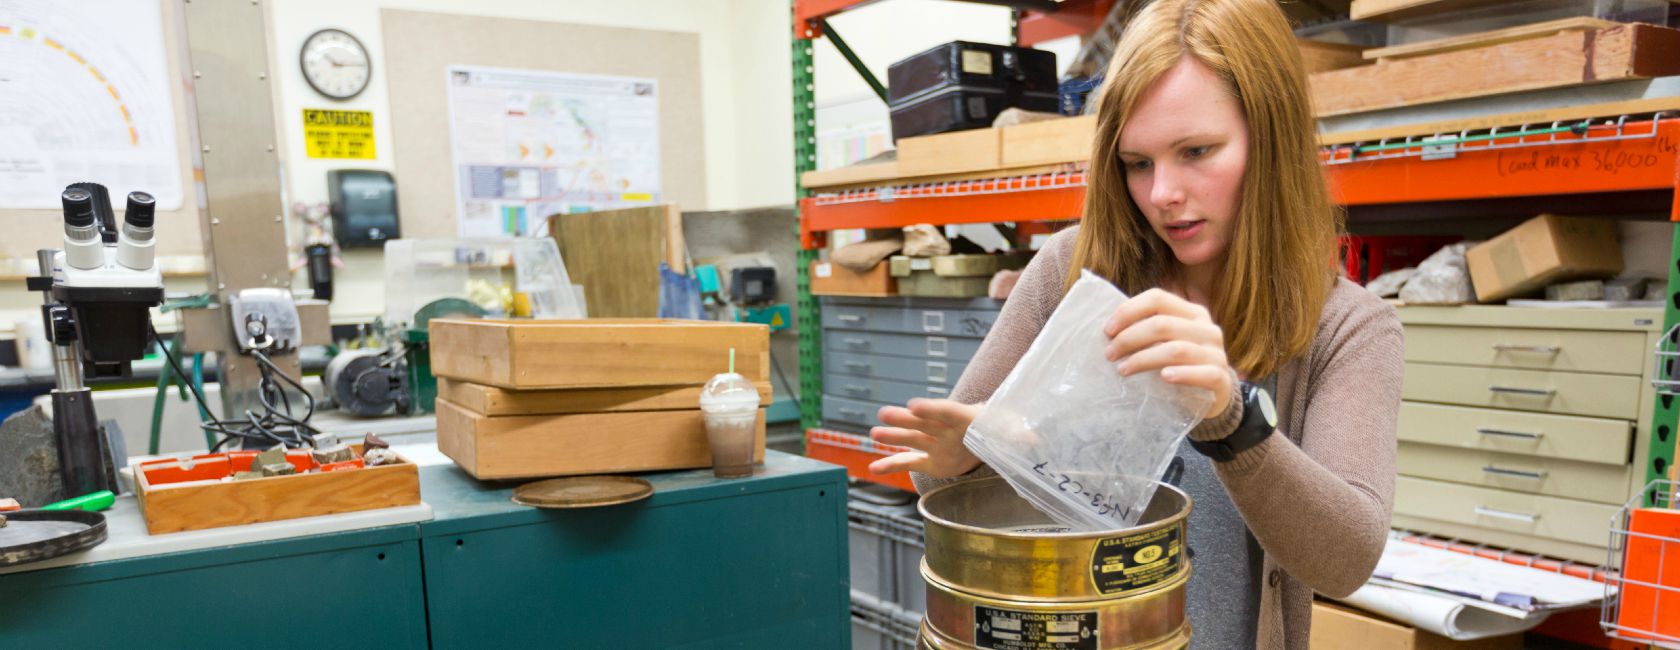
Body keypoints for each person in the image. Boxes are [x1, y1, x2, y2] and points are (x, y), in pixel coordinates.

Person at [865, 0, 1404, 647]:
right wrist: (968, 456)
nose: (1162, 194)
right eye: (1138, 162)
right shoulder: (1070, 270)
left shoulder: (1346, 328)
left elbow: (1345, 562)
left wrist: (1231, 420)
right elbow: (940, 471)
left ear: (1273, 140)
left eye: (1196, 151)